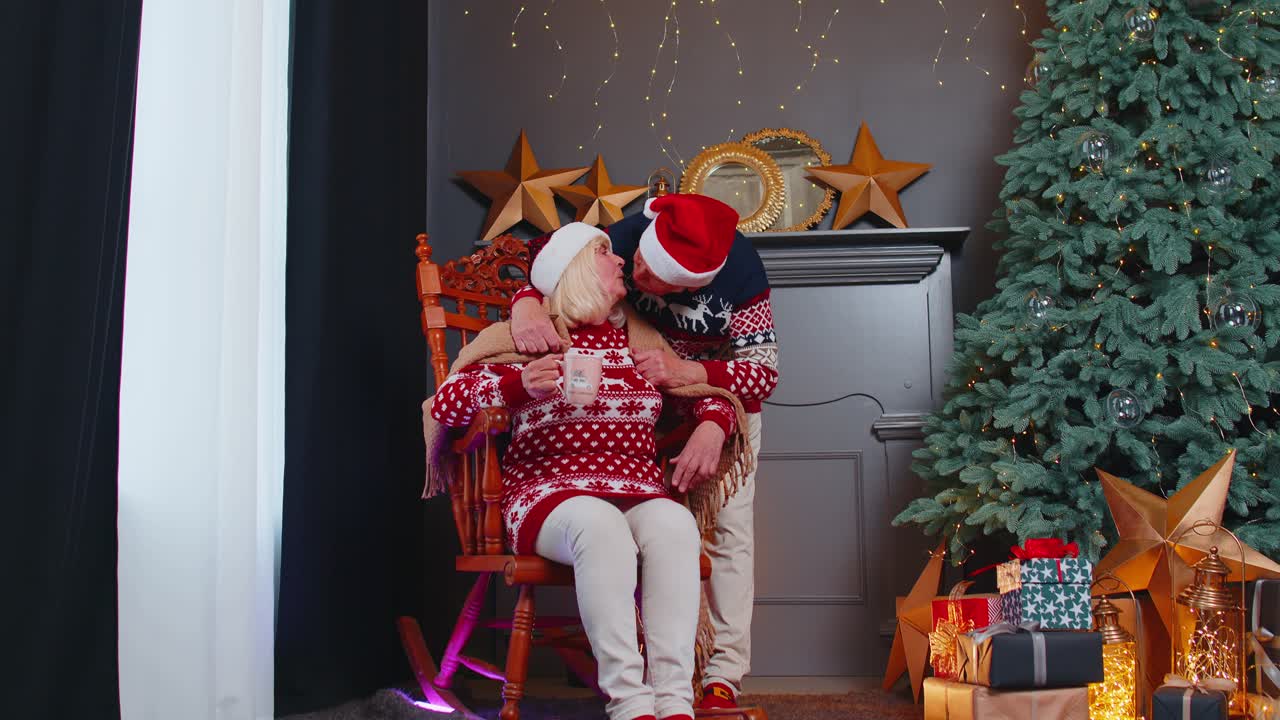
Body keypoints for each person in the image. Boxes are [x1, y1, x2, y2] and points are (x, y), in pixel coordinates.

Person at [428, 222, 750, 720]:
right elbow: (446, 404)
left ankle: (673, 703)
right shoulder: (522, 339)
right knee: (599, 526)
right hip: (547, 493)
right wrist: (516, 387)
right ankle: (630, 703)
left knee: (675, 525)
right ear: (576, 269)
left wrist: (712, 423)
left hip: (637, 489)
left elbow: (706, 395)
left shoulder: (639, 340)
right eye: (606, 254)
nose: (621, 260)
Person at [509, 193, 779, 710]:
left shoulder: (742, 274)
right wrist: (524, 304)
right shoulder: (627, 237)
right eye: (637, 265)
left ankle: (721, 676)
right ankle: (637, 689)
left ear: (695, 287)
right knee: (616, 530)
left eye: (655, 280)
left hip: (715, 396)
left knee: (729, 533)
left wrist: (706, 404)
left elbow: (762, 372)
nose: (637, 278)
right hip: (634, 392)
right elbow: (551, 260)